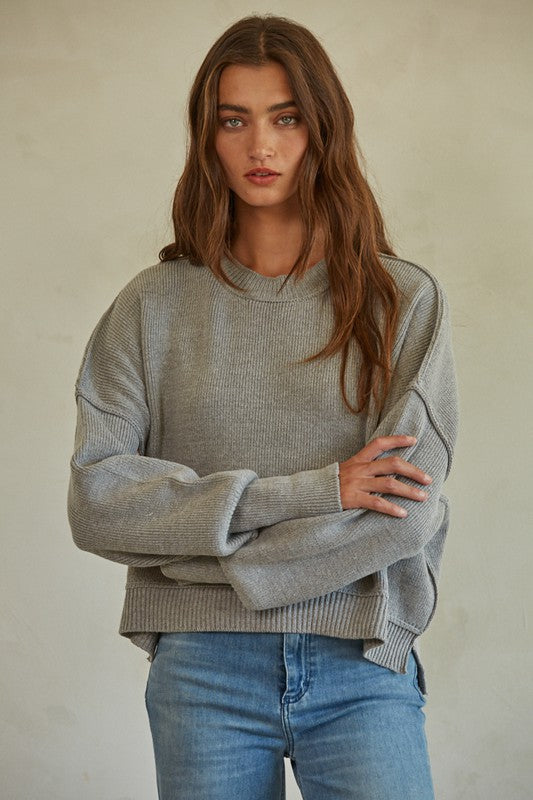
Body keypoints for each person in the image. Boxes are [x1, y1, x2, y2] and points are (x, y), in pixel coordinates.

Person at [68, 14, 458, 800]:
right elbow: (97, 504)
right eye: (233, 120)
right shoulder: (151, 307)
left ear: (322, 129)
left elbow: (402, 513)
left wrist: (205, 563)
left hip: (358, 661)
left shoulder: (400, 300)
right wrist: (319, 491)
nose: (260, 146)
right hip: (202, 671)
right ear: (206, 137)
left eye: (285, 118)